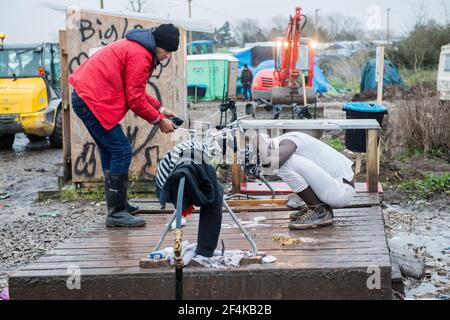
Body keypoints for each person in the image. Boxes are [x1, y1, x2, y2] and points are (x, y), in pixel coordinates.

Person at [69, 24, 181, 228]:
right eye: (167, 51)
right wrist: (158, 121)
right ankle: (116, 213)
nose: (167, 56)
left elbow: (135, 89)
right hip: (91, 100)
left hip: (88, 97)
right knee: (121, 150)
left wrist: (160, 109)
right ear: (159, 45)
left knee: (111, 150)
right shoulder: (140, 55)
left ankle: (118, 205)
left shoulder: (138, 48)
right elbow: (135, 100)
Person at [252, 131, 356, 230]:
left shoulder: (288, 141)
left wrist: (257, 140)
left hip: (341, 190)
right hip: (337, 188)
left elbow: (274, 162)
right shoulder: (287, 141)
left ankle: (319, 210)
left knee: (284, 164)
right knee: (282, 163)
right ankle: (314, 208)